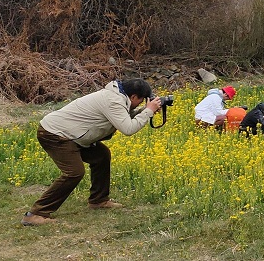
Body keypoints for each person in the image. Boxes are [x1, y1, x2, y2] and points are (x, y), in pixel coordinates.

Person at [21, 78, 161, 226]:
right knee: (74, 172)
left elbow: (121, 119)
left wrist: (144, 111)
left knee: (101, 156)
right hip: (55, 134)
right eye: (141, 100)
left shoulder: (116, 96)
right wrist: (148, 111)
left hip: (72, 135)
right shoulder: (113, 101)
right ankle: (36, 214)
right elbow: (128, 129)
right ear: (133, 97)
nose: (141, 103)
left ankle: (99, 200)